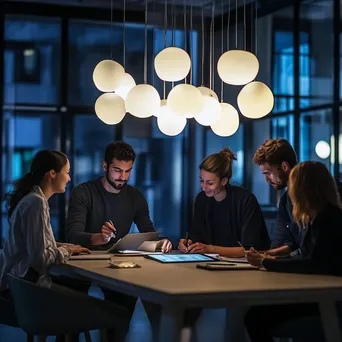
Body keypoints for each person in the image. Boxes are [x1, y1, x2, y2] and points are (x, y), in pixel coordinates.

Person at [66, 141, 172, 341]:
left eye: (127, 171)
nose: (122, 177)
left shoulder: (135, 196)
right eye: (117, 170)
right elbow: (73, 234)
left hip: (114, 262)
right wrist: (99, 237)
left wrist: (162, 242)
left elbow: (147, 232)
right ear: (105, 166)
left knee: (124, 301)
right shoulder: (83, 192)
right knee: (73, 307)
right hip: (82, 261)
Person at [245, 161, 342, 342]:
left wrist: (265, 262)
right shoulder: (320, 217)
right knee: (255, 313)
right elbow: (306, 257)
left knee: (254, 317)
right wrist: (268, 259)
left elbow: (313, 263)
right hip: (321, 294)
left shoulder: (329, 219)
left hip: (329, 300)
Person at [0, 150, 90, 294]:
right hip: (22, 288)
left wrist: (60, 246)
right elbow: (40, 259)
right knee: (99, 306)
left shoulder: (33, 199)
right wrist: (68, 250)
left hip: (16, 283)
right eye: (67, 172)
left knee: (80, 288)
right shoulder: (37, 202)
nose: (69, 178)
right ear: (52, 173)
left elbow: (34, 246)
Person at [178, 147, 270, 257]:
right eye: (202, 181)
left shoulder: (245, 200)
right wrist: (189, 244)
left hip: (248, 266)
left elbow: (250, 250)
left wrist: (210, 249)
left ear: (224, 181)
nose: (204, 187)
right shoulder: (201, 199)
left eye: (210, 183)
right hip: (212, 262)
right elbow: (197, 238)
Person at [253, 138, 301, 257]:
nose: (266, 180)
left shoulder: (311, 195)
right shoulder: (285, 201)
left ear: (284, 166)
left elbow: (309, 249)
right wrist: (265, 255)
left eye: (268, 173)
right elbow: (282, 243)